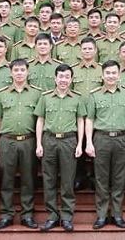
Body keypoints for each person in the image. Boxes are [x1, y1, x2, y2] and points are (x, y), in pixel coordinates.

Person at [0, 59, 42, 230]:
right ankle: (6, 215)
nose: (19, 73)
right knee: (6, 179)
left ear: (27, 72)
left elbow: (40, 119)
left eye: (22, 70)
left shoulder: (37, 93)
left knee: (28, 179)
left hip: (29, 140)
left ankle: (27, 215)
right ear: (11, 72)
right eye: (16, 70)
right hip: (7, 141)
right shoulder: (1, 94)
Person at [34, 64, 86, 231]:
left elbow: (80, 121)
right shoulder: (45, 97)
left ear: (71, 79)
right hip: (49, 140)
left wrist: (80, 143)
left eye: (67, 77)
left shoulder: (77, 98)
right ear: (55, 78)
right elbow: (40, 120)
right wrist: (39, 143)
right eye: (61, 77)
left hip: (69, 141)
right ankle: (52, 216)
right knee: (49, 180)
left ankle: (66, 217)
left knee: (67, 181)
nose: (63, 80)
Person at [85, 60, 125, 230]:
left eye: (114, 73)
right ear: (102, 75)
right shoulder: (95, 95)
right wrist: (89, 142)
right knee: (101, 178)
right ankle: (101, 215)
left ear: (119, 75)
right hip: (101, 138)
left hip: (121, 138)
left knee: (119, 178)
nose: (111, 76)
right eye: (108, 73)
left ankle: (117, 214)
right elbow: (90, 119)